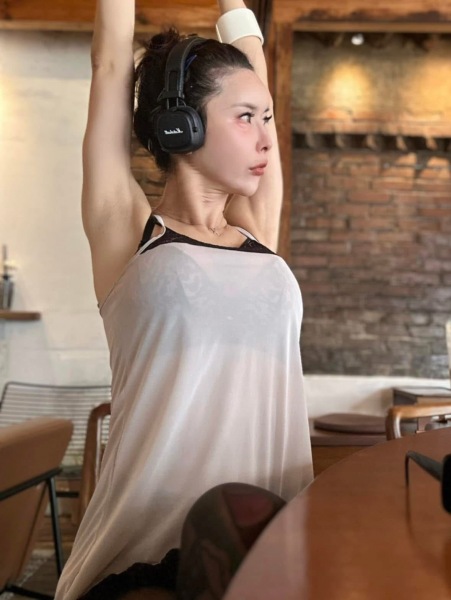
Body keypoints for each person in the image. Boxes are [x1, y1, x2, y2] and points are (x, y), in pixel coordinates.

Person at [55, 0, 313, 597]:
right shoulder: (128, 232)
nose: (266, 139)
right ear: (181, 125)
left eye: (267, 118)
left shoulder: (257, 231)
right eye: (245, 118)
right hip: (148, 557)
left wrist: (234, 8)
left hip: (265, 546)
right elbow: (110, 65)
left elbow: (255, 65)